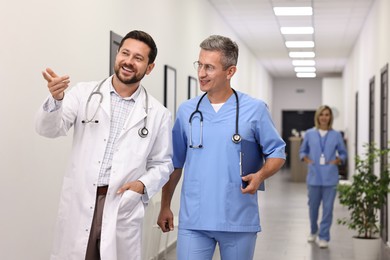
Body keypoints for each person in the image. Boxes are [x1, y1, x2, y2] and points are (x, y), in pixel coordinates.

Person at [35, 30, 173, 260]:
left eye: (138, 58)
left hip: (121, 202)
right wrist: (56, 100)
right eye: (125, 53)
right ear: (117, 55)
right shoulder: (83, 94)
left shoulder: (159, 114)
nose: (128, 61)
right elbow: (48, 129)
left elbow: (163, 163)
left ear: (149, 67)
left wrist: (142, 184)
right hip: (82, 197)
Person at [157, 35, 286, 260]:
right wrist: (165, 205)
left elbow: (277, 152)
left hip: (237, 219)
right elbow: (175, 162)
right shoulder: (187, 110)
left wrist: (260, 175)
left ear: (230, 72)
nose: (201, 73)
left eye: (209, 67)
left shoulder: (254, 109)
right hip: (194, 219)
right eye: (200, 65)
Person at [299, 105, 347, 249]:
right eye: (322, 114)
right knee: (313, 207)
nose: (324, 117)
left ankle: (324, 236)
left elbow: (344, 154)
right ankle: (313, 231)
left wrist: (337, 160)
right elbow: (302, 151)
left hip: (330, 177)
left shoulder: (336, 135)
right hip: (314, 176)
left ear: (330, 117)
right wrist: (308, 160)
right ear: (318, 117)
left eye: (327, 115)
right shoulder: (309, 134)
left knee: (327, 209)